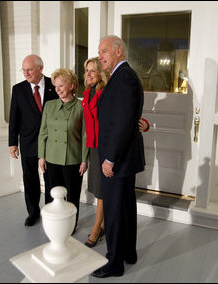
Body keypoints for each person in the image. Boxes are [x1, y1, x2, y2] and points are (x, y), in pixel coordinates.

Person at [91, 35, 145, 278]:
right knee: (125, 207)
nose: (100, 55)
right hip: (124, 157)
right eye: (99, 51)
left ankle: (114, 263)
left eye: (104, 51)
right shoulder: (122, 76)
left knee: (114, 211)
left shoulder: (123, 78)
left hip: (118, 159)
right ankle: (128, 253)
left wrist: (110, 159)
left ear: (119, 52)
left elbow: (122, 123)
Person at [81, 57, 149, 248]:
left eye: (93, 70)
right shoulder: (86, 95)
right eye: (87, 70)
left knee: (105, 193)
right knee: (98, 190)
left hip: (107, 149)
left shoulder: (106, 91)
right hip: (93, 147)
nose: (88, 74)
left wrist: (143, 125)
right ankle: (103, 226)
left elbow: (123, 118)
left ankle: (97, 229)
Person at [8, 54, 58, 227]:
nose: (26, 73)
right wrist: (12, 142)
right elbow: (14, 118)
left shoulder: (54, 84)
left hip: (51, 143)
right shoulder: (18, 89)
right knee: (30, 179)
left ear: (40, 69)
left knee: (51, 178)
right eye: (23, 70)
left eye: (29, 69)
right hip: (28, 142)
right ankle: (33, 213)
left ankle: (51, 212)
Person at [38, 68, 89, 233]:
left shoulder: (81, 106)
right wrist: (41, 156)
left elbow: (85, 136)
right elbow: (43, 133)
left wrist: (84, 160)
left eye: (61, 85)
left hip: (72, 159)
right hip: (51, 157)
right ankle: (53, 223)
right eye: (55, 86)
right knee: (52, 194)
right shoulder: (49, 105)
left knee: (72, 196)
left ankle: (70, 225)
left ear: (72, 85)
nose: (58, 89)